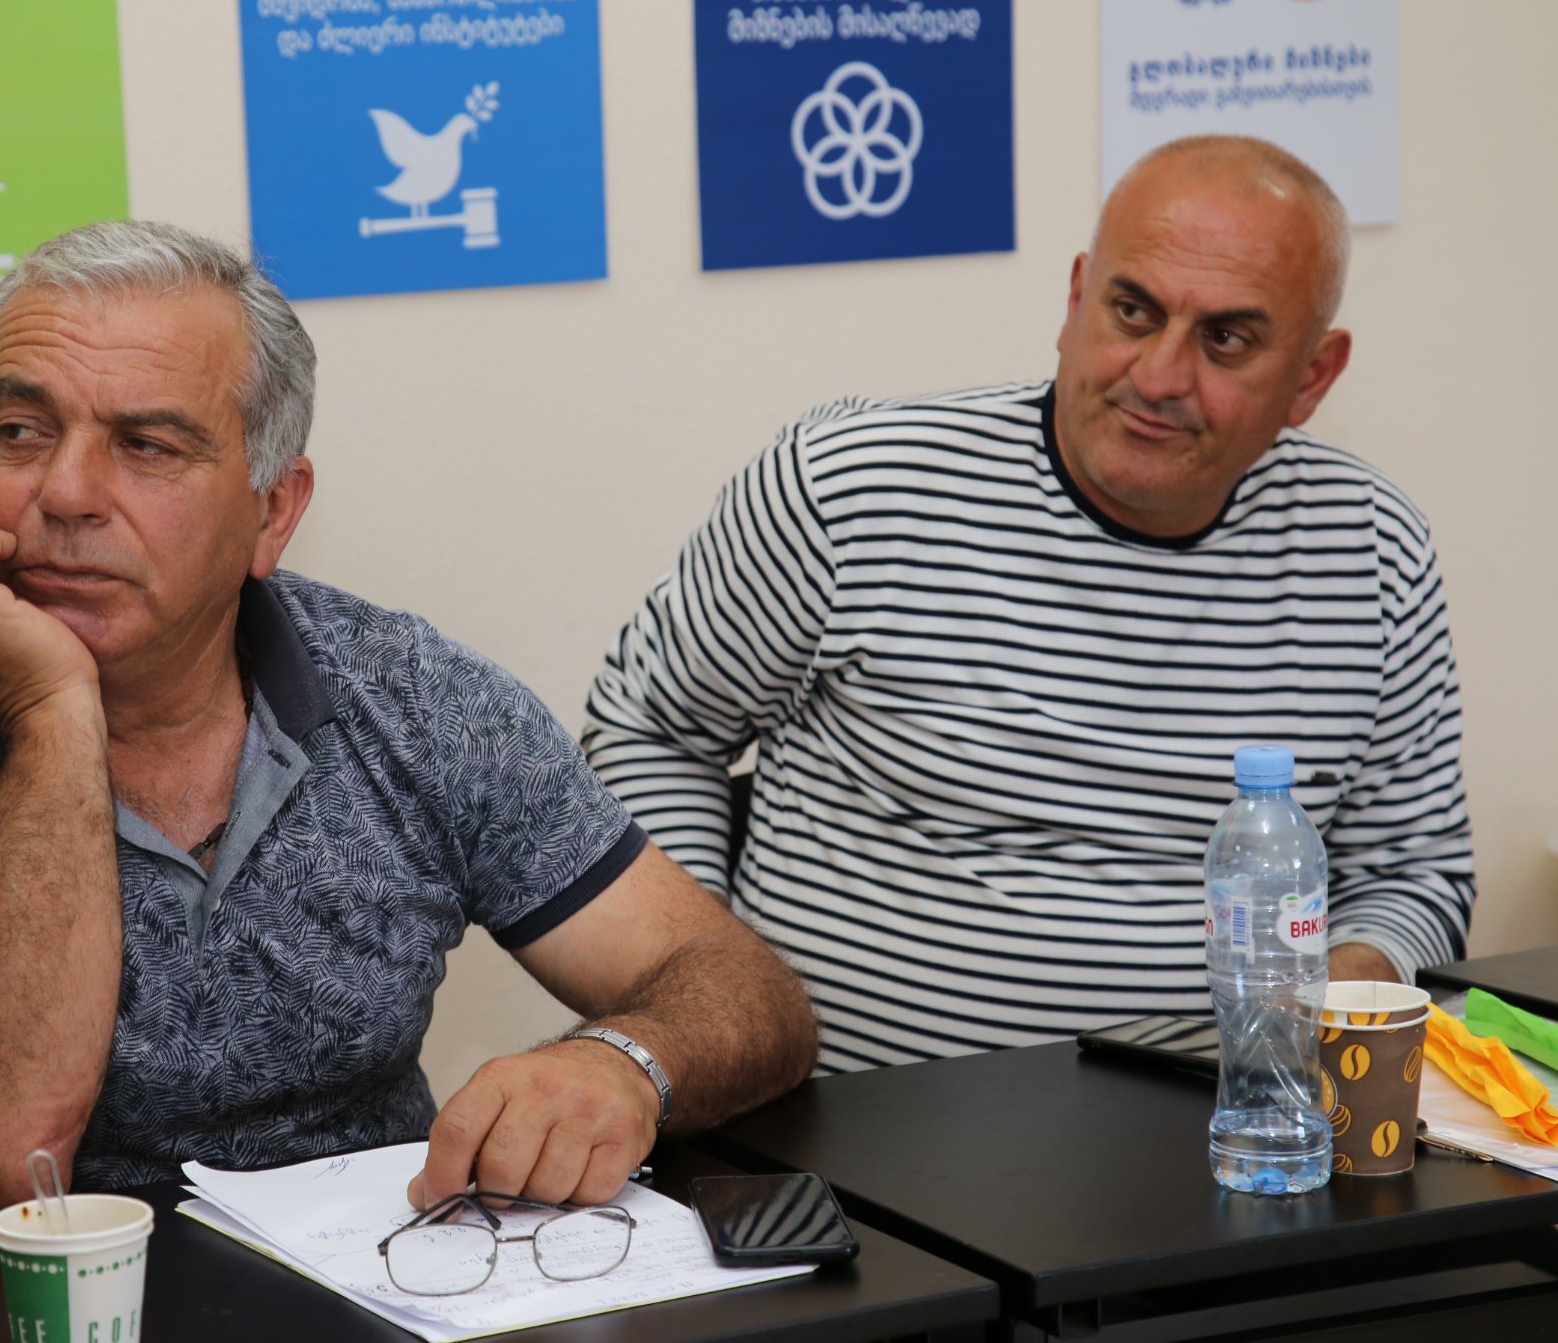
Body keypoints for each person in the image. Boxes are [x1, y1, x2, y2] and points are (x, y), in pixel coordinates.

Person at [0, 221, 817, 1241]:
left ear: (273, 511)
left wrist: (624, 1060)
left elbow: (742, 990)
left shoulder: (414, 697)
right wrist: (50, 714)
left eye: (147, 445)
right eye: (20, 432)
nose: (64, 492)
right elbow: (6, 1146)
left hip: (377, 1297)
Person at [582, 136, 1475, 1074]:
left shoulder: (1373, 550)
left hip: (1213, 1126)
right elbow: (648, 730)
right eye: (1133, 311)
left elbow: (1412, 871)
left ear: (1313, 376)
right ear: (1076, 300)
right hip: (839, 1124)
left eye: (1226, 339)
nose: (1159, 377)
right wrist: (706, 996)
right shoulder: (851, 491)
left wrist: (1329, 998)